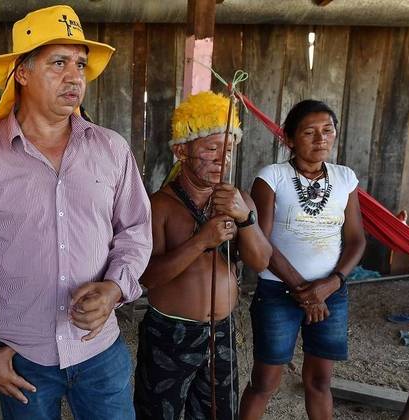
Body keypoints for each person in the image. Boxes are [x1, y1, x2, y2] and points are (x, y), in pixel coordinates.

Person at [0, 5, 152, 420]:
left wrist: (115, 289)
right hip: (22, 356)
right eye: (58, 63)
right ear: (21, 73)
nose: (75, 76)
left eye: (80, 63)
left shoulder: (110, 149)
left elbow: (134, 230)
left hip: (99, 348)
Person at [133, 91, 272, 420]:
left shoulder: (239, 200)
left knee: (217, 413)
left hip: (221, 331)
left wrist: (245, 219)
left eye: (228, 150)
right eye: (211, 149)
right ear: (182, 151)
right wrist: (200, 241)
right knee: (157, 414)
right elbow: (146, 278)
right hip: (169, 332)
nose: (221, 160)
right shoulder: (160, 206)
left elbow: (261, 262)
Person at [239, 99, 366, 419]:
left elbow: (356, 239)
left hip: (331, 295)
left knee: (321, 380)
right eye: (310, 132)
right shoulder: (272, 176)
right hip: (279, 292)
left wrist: (331, 284)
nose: (321, 138)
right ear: (290, 139)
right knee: (265, 381)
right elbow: (260, 242)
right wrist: (305, 292)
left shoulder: (345, 178)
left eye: (328, 130)